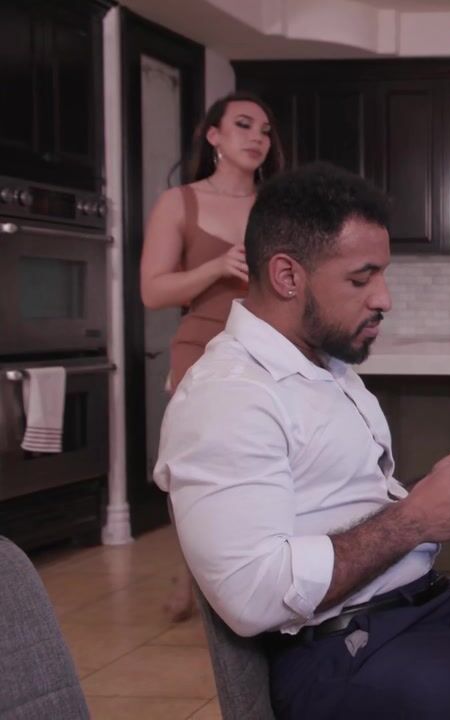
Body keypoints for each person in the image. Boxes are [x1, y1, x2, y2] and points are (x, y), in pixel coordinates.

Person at [153, 162, 450, 719]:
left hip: (420, 610)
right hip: (338, 654)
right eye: (361, 279)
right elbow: (251, 595)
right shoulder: (226, 398)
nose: (384, 299)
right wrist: (415, 519)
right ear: (288, 276)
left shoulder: (329, 368)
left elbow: (342, 504)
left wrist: (429, 493)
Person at [140, 91, 285, 622]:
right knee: (200, 469)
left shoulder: (277, 205)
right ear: (214, 136)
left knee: (264, 462)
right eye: (243, 125)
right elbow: (153, 291)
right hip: (201, 346)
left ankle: (257, 574)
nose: (257, 138)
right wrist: (217, 267)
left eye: (265, 130)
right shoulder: (179, 202)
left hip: (268, 346)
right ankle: (190, 575)